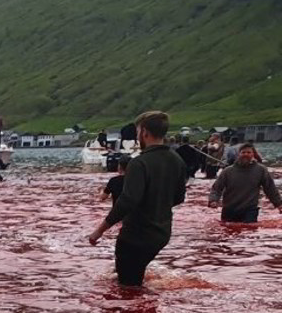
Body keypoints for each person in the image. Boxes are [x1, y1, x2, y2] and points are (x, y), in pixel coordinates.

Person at [87, 111, 187, 287]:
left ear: (145, 132)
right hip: (162, 233)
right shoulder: (177, 160)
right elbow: (179, 198)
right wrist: (157, 203)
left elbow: (127, 201)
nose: (136, 135)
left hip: (136, 235)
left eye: (137, 131)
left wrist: (99, 230)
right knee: (135, 278)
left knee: (127, 291)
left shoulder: (139, 163)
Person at [208, 143, 282, 223]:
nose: (246, 154)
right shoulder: (228, 171)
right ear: (238, 154)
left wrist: (279, 204)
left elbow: (270, 188)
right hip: (229, 209)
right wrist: (213, 200)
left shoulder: (261, 170)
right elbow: (217, 188)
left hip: (250, 209)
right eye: (243, 152)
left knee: (248, 231)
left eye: (249, 152)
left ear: (253, 154)